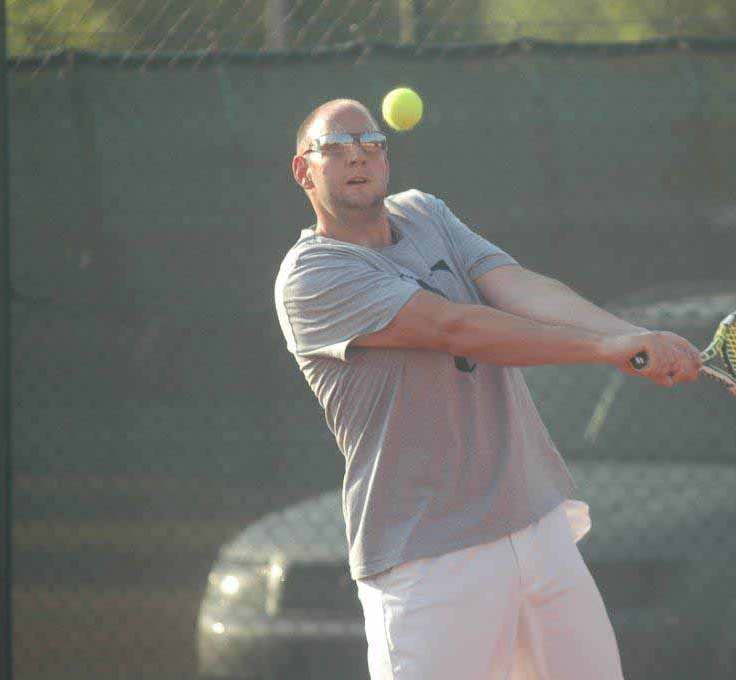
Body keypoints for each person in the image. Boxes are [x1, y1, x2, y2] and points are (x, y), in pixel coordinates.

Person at [274, 98, 701, 680]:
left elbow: (516, 285)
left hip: (537, 525)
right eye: (336, 147)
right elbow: (457, 328)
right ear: (304, 170)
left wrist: (631, 336)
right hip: (428, 558)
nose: (358, 156)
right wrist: (604, 350)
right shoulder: (312, 275)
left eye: (371, 143)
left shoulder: (424, 213)